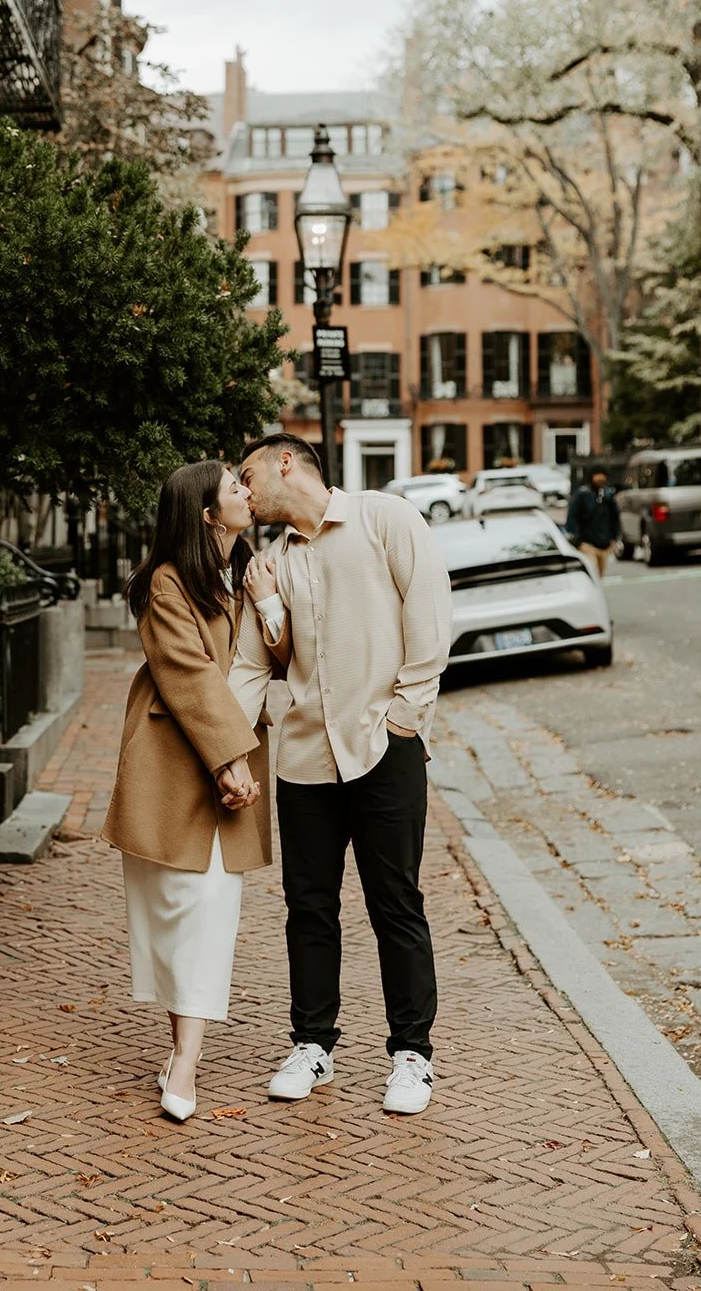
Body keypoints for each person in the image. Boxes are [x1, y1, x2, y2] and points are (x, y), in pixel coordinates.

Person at [229, 434, 452, 1115]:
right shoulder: (267, 564)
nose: (243, 491)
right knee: (308, 909)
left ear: (285, 463)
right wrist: (231, 751)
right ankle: (311, 1046)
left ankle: (410, 1056)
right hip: (302, 762)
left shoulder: (385, 518)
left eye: (247, 476)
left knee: (396, 905)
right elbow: (250, 665)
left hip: (383, 749)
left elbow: (431, 617)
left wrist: (404, 718)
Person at [101, 461, 271, 1124]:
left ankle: (187, 1061)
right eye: (234, 487)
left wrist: (269, 602)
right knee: (174, 908)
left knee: (208, 911)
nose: (247, 493)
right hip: (173, 765)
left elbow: (273, 655)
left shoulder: (249, 574)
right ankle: (179, 1053)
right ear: (206, 514)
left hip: (232, 760)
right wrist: (231, 757)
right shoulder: (169, 583)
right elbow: (188, 673)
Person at [565, 465, 620, 578]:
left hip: (605, 544)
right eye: (597, 475)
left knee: (600, 575)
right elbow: (572, 517)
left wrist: (614, 538)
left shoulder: (608, 496)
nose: (600, 478)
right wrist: (578, 540)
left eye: (602, 476)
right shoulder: (583, 495)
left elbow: (615, 518)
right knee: (592, 572)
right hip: (587, 544)